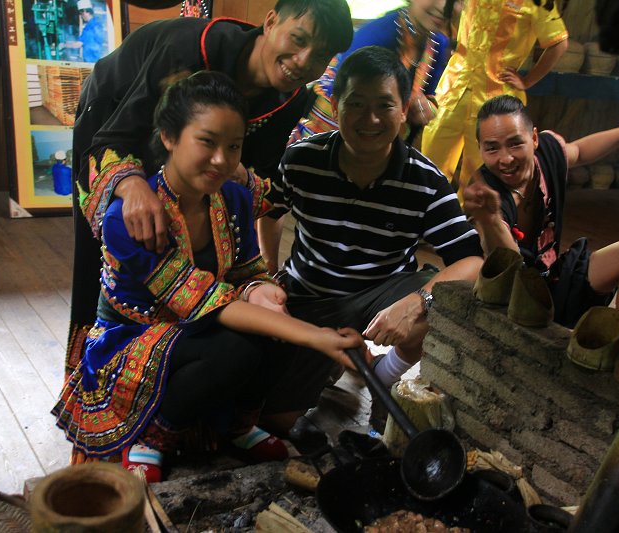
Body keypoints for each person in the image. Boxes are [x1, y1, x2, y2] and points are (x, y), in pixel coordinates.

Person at [52, 72, 364, 481]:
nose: (222, 159)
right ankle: (152, 435)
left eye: (233, 146)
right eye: (207, 141)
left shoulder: (232, 197)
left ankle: (234, 423)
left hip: (198, 328)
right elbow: (202, 302)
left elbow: (248, 270)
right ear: (168, 136)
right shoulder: (130, 218)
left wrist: (263, 291)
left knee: (280, 324)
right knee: (242, 347)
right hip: (133, 337)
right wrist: (313, 335)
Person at [66, 0, 354, 379]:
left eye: (319, 56)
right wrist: (130, 184)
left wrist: (255, 283)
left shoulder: (292, 98)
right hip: (114, 122)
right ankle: (94, 382)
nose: (302, 61)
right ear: (270, 22)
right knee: (111, 252)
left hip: (195, 163)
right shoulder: (188, 49)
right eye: (297, 39)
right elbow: (117, 135)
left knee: (202, 248)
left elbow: (258, 179)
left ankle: (183, 360)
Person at [260, 46, 500, 435]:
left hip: (383, 291)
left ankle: (385, 379)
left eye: (384, 105)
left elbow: (471, 261)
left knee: (443, 301)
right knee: (279, 421)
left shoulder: (423, 179)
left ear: (404, 109)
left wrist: (416, 303)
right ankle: (347, 361)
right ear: (335, 105)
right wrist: (269, 273)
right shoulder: (301, 161)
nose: (370, 119)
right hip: (311, 296)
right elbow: (269, 213)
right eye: (356, 103)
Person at [464, 94, 619, 346]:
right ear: (480, 148)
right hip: (517, 300)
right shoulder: (486, 196)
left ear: (534, 138)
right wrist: (490, 219)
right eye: (492, 148)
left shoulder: (546, 155)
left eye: (515, 144)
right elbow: (509, 265)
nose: (505, 158)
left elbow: (580, 151)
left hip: (555, 279)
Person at [421, 0, 569, 204]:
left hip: (494, 105)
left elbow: (558, 43)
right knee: (430, 164)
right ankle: (425, 221)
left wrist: (527, 80)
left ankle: (470, 230)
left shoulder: (538, 2)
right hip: (452, 91)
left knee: (480, 178)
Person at [288, 0, 455, 145]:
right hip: (333, 138)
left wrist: (426, 108)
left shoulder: (438, 43)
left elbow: (432, 98)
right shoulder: (375, 37)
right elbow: (350, 107)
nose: (443, 7)